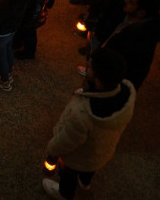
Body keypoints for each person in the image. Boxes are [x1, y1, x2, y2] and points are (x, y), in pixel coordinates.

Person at [42, 48, 136, 200]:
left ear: (98, 81)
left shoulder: (83, 115)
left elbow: (66, 141)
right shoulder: (126, 92)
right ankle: (85, 183)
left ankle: (63, 194)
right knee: (89, 168)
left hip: (77, 160)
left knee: (68, 176)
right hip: (100, 153)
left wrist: (51, 155)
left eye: (90, 67)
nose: (86, 65)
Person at [78, 0, 160, 91]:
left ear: (141, 12)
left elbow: (132, 74)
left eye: (131, 2)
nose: (125, 1)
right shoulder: (123, 11)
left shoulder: (140, 43)